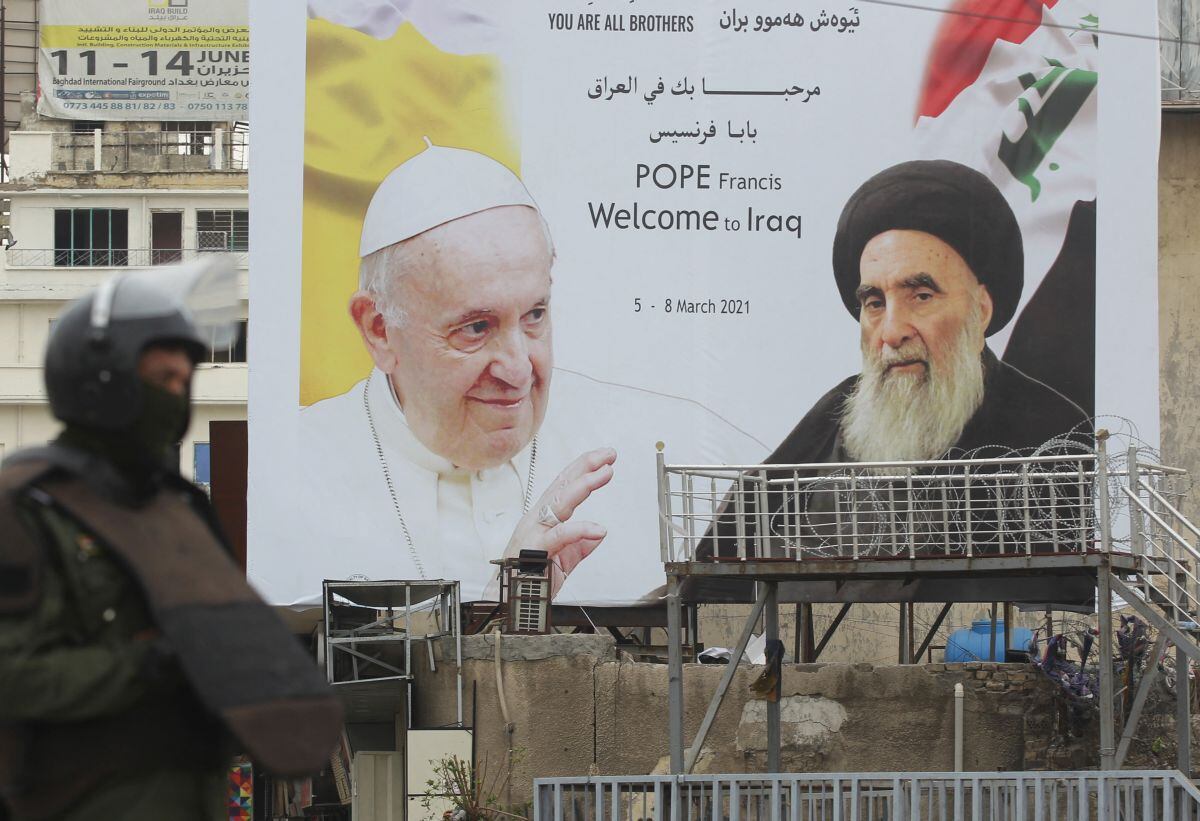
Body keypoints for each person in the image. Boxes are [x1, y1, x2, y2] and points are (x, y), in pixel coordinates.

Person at [282, 143, 765, 606]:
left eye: (535, 315)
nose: (517, 370)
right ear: (380, 329)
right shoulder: (289, 473)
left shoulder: (673, 446)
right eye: (475, 328)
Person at [0, 260, 341, 821]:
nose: (177, 397)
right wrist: (147, 667)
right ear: (98, 380)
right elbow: (12, 676)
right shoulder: (29, 508)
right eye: (162, 380)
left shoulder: (177, 510)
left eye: (185, 383)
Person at [769, 159, 1089, 465]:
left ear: (981, 311)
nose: (892, 333)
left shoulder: (1053, 434)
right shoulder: (836, 415)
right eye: (875, 303)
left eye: (921, 296)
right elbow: (741, 515)